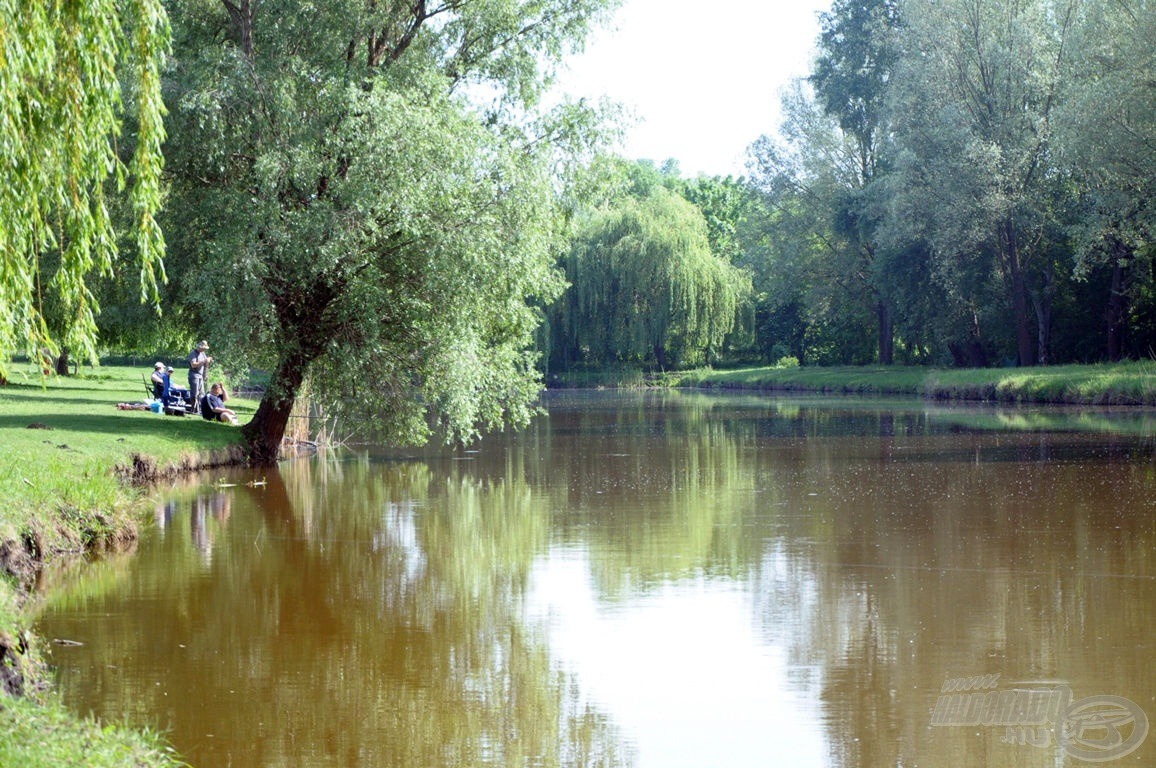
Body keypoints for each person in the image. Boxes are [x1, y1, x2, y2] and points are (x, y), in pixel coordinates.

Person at [188, 340, 213, 404]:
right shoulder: (193, 353)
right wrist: (204, 361)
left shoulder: (203, 353)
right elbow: (193, 365)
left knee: (202, 393)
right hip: (194, 375)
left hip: (200, 375)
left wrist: (208, 362)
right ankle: (194, 408)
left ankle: (201, 408)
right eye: (203, 348)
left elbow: (205, 364)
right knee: (195, 393)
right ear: (199, 347)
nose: (204, 350)